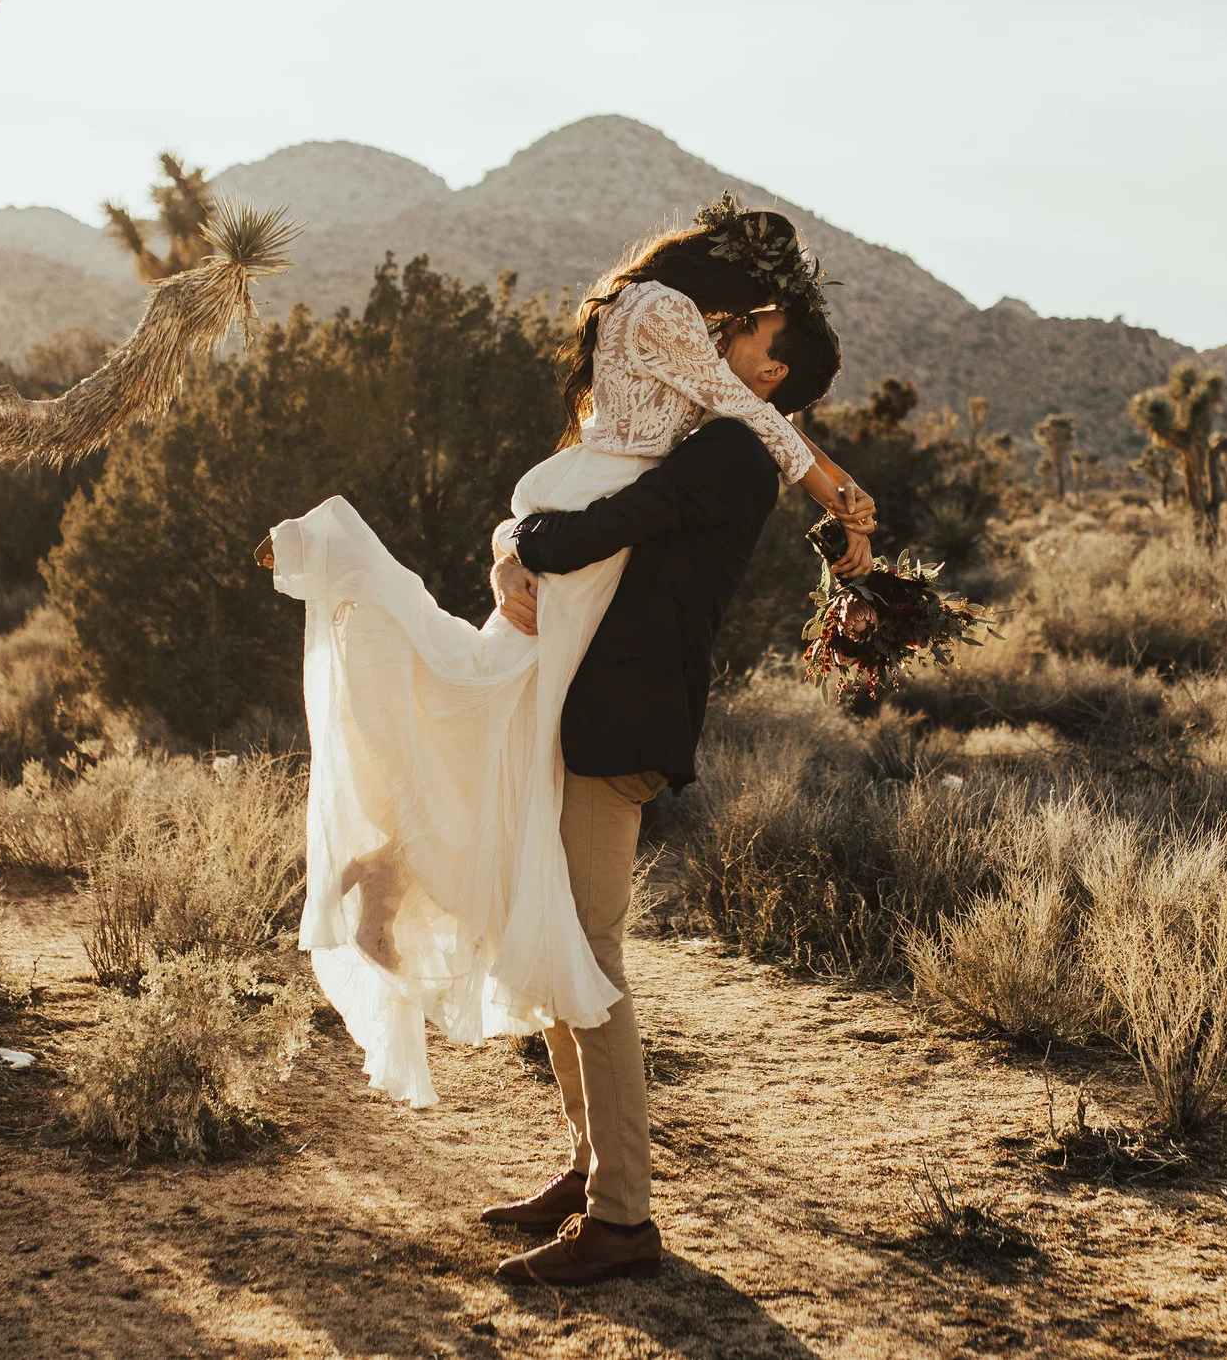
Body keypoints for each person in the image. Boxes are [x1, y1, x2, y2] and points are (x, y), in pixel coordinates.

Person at [263, 197, 871, 1108]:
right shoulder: (666, 311)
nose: (748, 323)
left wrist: (838, 493)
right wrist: (844, 495)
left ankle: (397, 858)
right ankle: (340, 572)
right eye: (759, 306)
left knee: (500, 701)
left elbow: (755, 416)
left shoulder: (694, 358)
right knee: (492, 687)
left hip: (594, 519)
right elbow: (755, 413)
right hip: (593, 509)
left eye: (763, 322)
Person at [477, 297, 843, 1286]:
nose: (722, 333)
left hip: (620, 716)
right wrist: (514, 538)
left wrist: (528, 542)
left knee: (589, 952)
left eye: (749, 332)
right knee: (560, 938)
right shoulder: (700, 431)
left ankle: (624, 1218)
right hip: (583, 701)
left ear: (770, 375)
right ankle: (592, 1167)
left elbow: (615, 525)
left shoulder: (729, 449)